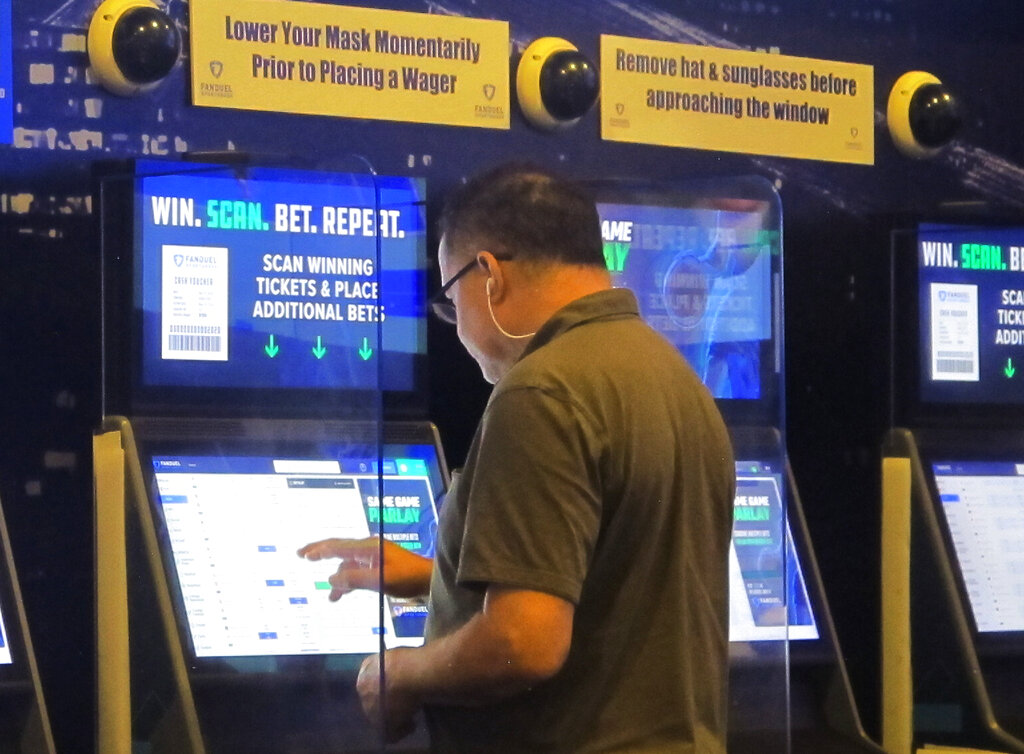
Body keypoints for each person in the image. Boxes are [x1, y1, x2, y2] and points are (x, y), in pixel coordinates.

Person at [299, 164, 735, 753]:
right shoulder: (672, 377)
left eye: (452, 302)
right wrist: (441, 579)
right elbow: (612, 588)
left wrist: (398, 672)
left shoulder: (542, 392)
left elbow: (523, 644)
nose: (458, 329)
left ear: (488, 275)